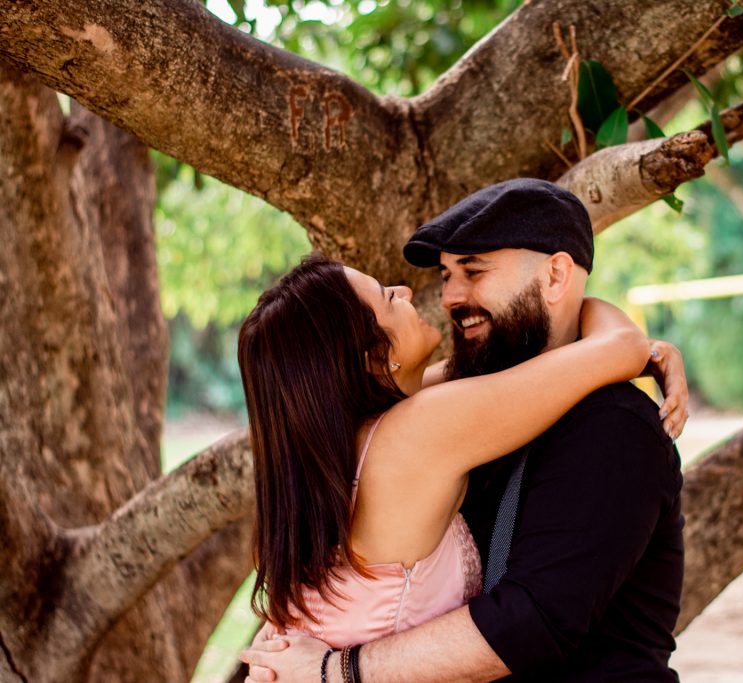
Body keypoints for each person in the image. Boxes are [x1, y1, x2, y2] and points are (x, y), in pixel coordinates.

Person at [242, 178, 687, 682]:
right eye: (446, 274)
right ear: (374, 359)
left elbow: (529, 623)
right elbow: (617, 348)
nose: (448, 296)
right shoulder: (428, 422)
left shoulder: (612, 426)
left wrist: (335, 670)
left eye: (473, 271)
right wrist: (628, 343)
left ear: (555, 275)